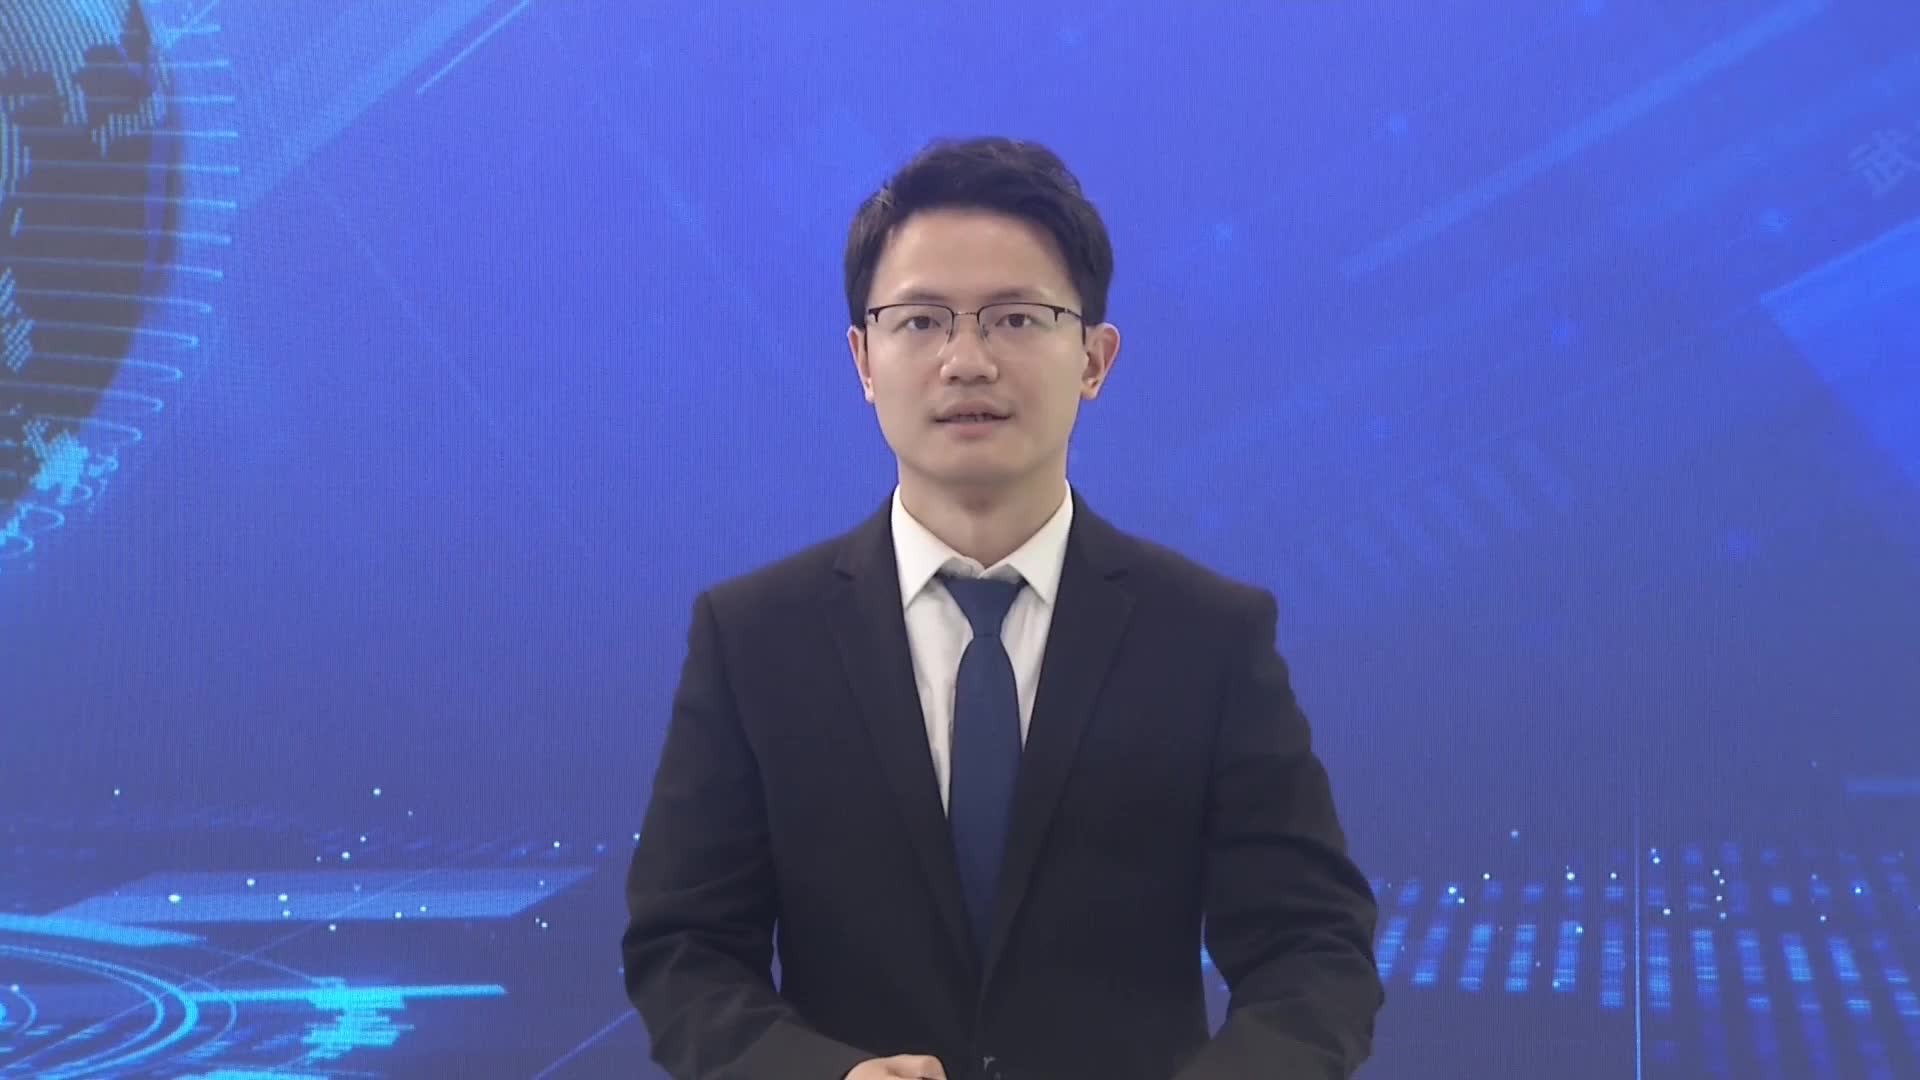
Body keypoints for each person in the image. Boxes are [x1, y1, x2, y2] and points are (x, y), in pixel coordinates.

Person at [621, 136, 1384, 1080]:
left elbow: (1313, 952)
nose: (966, 361)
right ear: (863, 359)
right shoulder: (753, 639)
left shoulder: (1210, 637)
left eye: (1016, 319)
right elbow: (685, 949)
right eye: (921, 321)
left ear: (1095, 357)